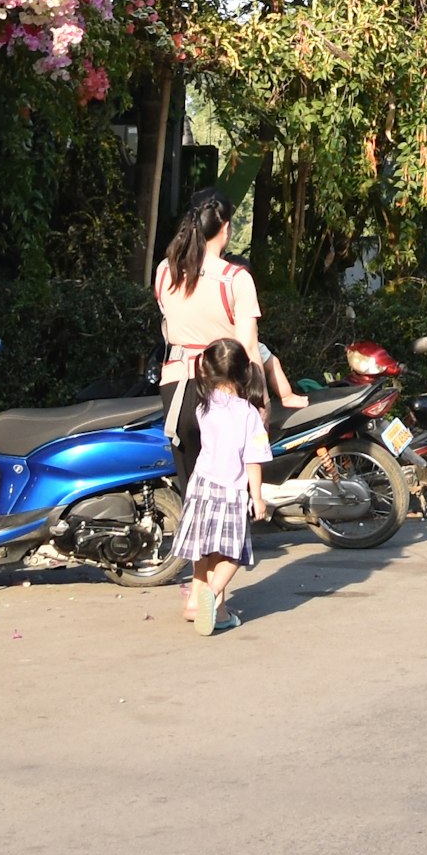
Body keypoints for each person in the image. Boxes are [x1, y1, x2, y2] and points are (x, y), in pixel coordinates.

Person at [156, 191, 298, 484]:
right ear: (226, 228)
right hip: (224, 389)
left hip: (176, 389)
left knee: (192, 494)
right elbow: (248, 347)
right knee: (230, 490)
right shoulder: (236, 279)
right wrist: (262, 400)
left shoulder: (164, 272)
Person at [178, 338, 265, 633]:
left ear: (206, 371)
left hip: (201, 485)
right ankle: (212, 594)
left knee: (202, 548)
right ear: (244, 372)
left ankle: (201, 602)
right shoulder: (249, 414)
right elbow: (253, 460)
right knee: (232, 553)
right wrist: (258, 497)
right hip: (232, 491)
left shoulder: (203, 407)